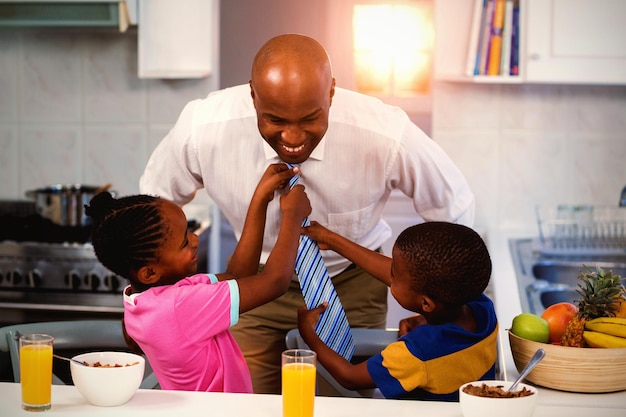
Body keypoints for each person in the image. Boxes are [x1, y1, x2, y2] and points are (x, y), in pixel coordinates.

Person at [139, 33, 475, 394]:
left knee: (345, 407)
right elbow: (150, 210)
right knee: (241, 403)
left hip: (352, 289)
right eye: (275, 120)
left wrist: (436, 309)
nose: (293, 136)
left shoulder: (384, 132)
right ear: (252, 94)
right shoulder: (203, 128)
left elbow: (453, 211)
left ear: (330, 92)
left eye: (310, 119)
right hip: (252, 286)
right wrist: (154, 304)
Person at [86, 163, 311, 393]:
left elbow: (238, 275)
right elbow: (274, 282)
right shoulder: (179, 306)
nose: (195, 239)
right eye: (184, 242)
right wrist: (292, 217)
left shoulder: (146, 299)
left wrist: (261, 198)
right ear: (150, 273)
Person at [297, 221, 497, 401]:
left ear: (427, 304)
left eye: (394, 274)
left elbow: (349, 377)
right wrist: (330, 239)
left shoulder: (417, 353)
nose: (389, 274)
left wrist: (310, 336)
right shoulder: (483, 309)